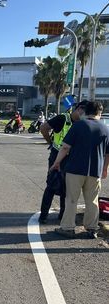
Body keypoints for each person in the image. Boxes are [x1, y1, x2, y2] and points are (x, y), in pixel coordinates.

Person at [51, 101, 109, 238]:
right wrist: (105, 169)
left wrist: (57, 162)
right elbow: (108, 153)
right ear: (99, 113)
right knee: (92, 200)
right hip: (95, 170)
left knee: (71, 199)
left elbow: (65, 147)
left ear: (85, 112)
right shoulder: (105, 129)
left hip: (75, 169)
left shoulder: (78, 126)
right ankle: (91, 228)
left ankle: (68, 228)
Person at [38, 101, 88, 224]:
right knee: (51, 185)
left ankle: (62, 216)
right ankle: (43, 216)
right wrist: (50, 142)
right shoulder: (62, 118)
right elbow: (43, 128)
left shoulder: (83, 123)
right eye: (82, 110)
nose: (83, 113)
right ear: (77, 109)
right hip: (57, 155)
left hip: (72, 158)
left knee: (67, 188)